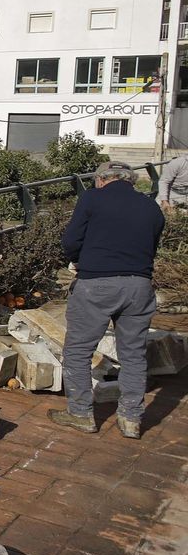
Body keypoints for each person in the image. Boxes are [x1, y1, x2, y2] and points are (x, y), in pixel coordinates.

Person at [48, 161, 164, 439]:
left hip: (96, 285)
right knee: (133, 355)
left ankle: (80, 414)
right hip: (139, 286)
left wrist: (79, 260)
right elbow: (151, 246)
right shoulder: (151, 207)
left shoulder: (92, 198)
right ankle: (131, 419)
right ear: (131, 181)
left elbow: (71, 241)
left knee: (78, 351)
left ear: (101, 180)